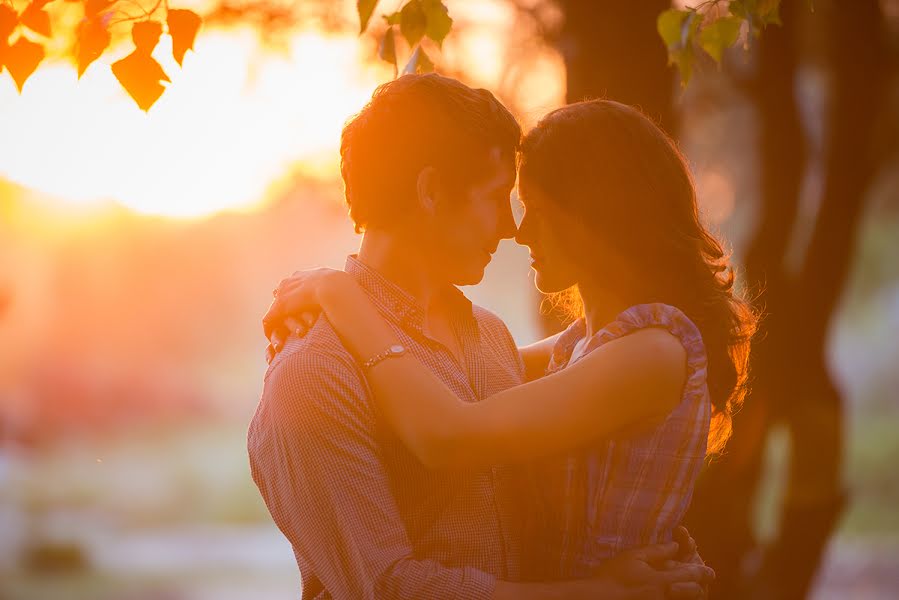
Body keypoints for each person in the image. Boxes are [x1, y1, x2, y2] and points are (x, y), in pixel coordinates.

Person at [263, 95, 758, 588]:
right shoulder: (317, 374)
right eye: (500, 198)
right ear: (432, 192)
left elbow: (451, 430)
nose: (514, 229)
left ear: (593, 215)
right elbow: (390, 588)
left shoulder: (527, 344)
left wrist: (340, 293)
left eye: (532, 207)